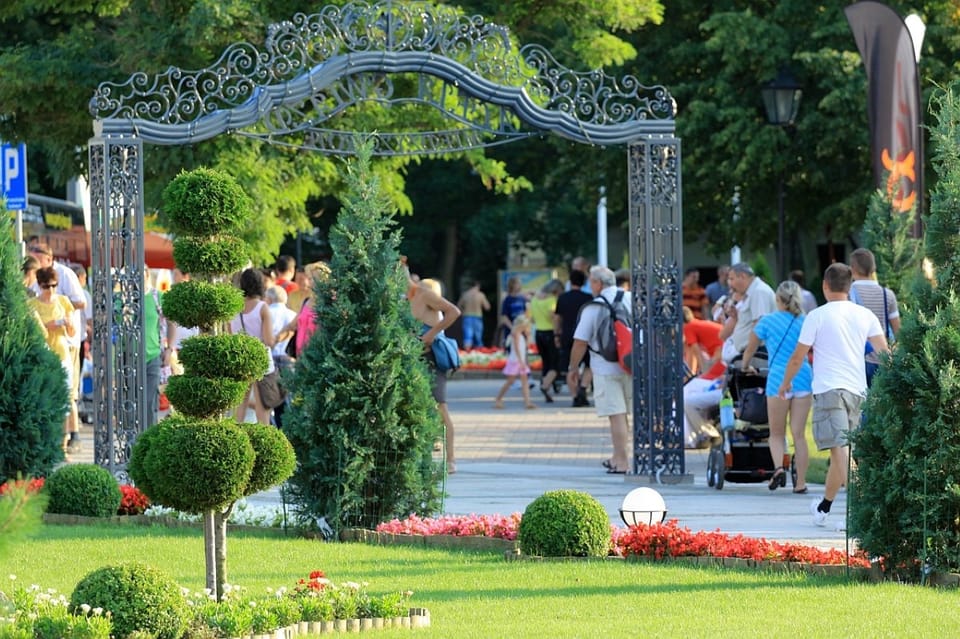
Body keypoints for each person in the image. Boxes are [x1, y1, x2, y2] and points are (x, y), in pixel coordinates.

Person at [778, 263, 889, 528]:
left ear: (825, 286)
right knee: (843, 452)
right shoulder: (865, 315)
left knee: (841, 452)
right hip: (858, 392)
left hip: (829, 390)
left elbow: (798, 357)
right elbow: (885, 353)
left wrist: (785, 384)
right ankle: (824, 507)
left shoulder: (816, 316)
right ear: (849, 287)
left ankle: (858, 515)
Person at [741, 280, 813, 493]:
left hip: (777, 379)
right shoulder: (806, 321)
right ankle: (800, 483)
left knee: (776, 433)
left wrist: (745, 366)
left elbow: (750, 349)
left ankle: (779, 468)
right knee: (799, 435)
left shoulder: (767, 321)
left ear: (778, 299)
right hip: (803, 377)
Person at [569, 266, 632, 474]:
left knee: (616, 415)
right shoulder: (631, 299)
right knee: (625, 414)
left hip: (605, 367)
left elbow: (580, 342)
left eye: (591, 281)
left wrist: (573, 368)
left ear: (598, 283)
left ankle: (621, 461)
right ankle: (618, 456)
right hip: (631, 364)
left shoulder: (594, 306)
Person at [28, 243, 86, 452]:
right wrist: (49, 325)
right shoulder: (33, 304)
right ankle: (50, 440)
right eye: (47, 286)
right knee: (46, 396)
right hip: (44, 354)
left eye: (53, 286)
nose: (50, 290)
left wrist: (68, 324)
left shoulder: (63, 298)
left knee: (67, 396)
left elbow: (73, 326)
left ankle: (68, 438)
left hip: (62, 351)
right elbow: (35, 330)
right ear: (40, 285)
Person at [408, 274, 462, 474]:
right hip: (415, 359)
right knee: (420, 409)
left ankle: (451, 459)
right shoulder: (407, 299)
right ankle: (424, 457)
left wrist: (430, 334)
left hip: (432, 359)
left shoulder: (426, 297)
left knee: (440, 407)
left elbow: (454, 312)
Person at [229, 268, 276, 426]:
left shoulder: (234, 308)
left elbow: (230, 336)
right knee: (262, 407)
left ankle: (235, 435)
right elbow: (268, 340)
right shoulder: (262, 307)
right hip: (260, 359)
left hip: (240, 359)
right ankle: (263, 439)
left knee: (239, 405)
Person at [849, 248, 900, 386]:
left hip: (858, 360)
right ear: (873, 269)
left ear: (852, 269)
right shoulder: (887, 294)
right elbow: (898, 331)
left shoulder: (848, 294)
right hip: (883, 358)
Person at [681, 307, 725, 448]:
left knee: (686, 392)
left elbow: (695, 353)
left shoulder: (688, 327)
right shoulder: (697, 324)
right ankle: (699, 434)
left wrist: (694, 375)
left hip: (720, 361)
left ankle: (691, 438)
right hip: (721, 358)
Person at [719, 262, 777, 362]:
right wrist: (735, 316)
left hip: (756, 354)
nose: (730, 284)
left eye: (732, 279)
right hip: (749, 353)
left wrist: (747, 356)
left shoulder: (759, 291)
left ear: (742, 276)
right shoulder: (751, 293)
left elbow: (759, 325)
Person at [555, 269, 593, 407]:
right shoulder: (588, 298)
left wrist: (556, 334)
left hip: (567, 335)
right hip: (585, 335)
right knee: (590, 364)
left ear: (570, 281)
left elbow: (557, 318)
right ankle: (583, 387)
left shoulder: (562, 298)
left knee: (571, 366)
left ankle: (575, 396)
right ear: (584, 282)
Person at [529, 278, 563, 402]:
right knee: (555, 363)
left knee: (545, 362)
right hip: (550, 333)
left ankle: (545, 384)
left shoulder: (534, 300)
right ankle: (545, 385)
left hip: (538, 333)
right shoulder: (551, 300)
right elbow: (553, 317)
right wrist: (557, 333)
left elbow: (532, 319)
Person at [493, 314, 537, 410]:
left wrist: (528, 335)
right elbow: (516, 348)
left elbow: (526, 347)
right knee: (510, 381)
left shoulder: (521, 334)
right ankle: (498, 399)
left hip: (521, 360)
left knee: (525, 382)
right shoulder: (515, 333)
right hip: (516, 361)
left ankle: (527, 402)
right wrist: (521, 361)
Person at [457, 280, 490, 350]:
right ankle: (479, 353)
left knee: (467, 337)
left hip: (467, 316)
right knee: (478, 337)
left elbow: (458, 306)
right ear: (478, 286)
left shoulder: (465, 294)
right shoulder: (480, 295)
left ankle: (467, 352)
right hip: (478, 316)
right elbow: (487, 307)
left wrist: (463, 311)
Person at [497, 276, 527, 348]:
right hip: (511, 330)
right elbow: (504, 317)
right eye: (517, 283)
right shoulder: (507, 300)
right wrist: (512, 328)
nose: (519, 285)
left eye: (519, 283)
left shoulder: (522, 298)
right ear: (512, 285)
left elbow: (525, 313)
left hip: (521, 330)